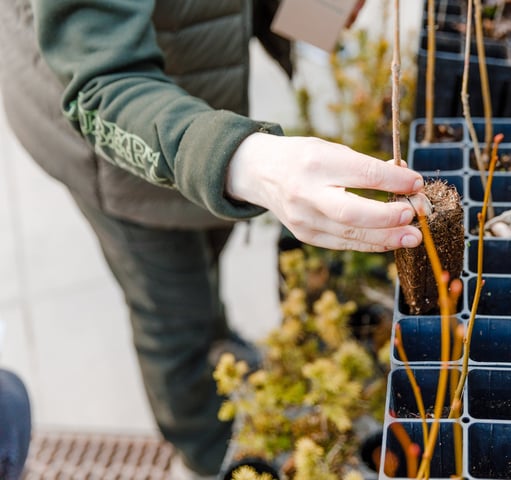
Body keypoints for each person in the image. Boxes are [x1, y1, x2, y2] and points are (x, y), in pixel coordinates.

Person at [0, 0, 424, 477]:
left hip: (196, 88)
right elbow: (100, 83)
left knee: (205, 249)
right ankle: (208, 450)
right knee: (171, 309)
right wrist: (238, 159)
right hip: (116, 135)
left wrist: (312, 15)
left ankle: (219, 342)